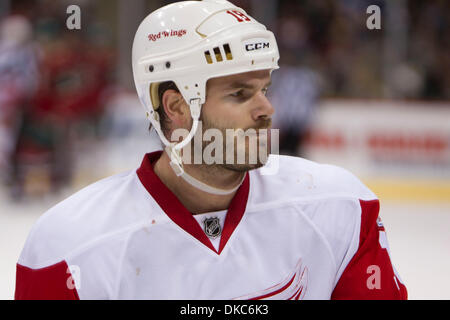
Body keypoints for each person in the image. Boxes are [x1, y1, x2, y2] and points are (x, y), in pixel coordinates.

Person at [15, 0, 407, 300]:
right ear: (176, 106)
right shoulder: (68, 247)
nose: (267, 110)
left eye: (264, 90)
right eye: (240, 94)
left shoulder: (340, 208)